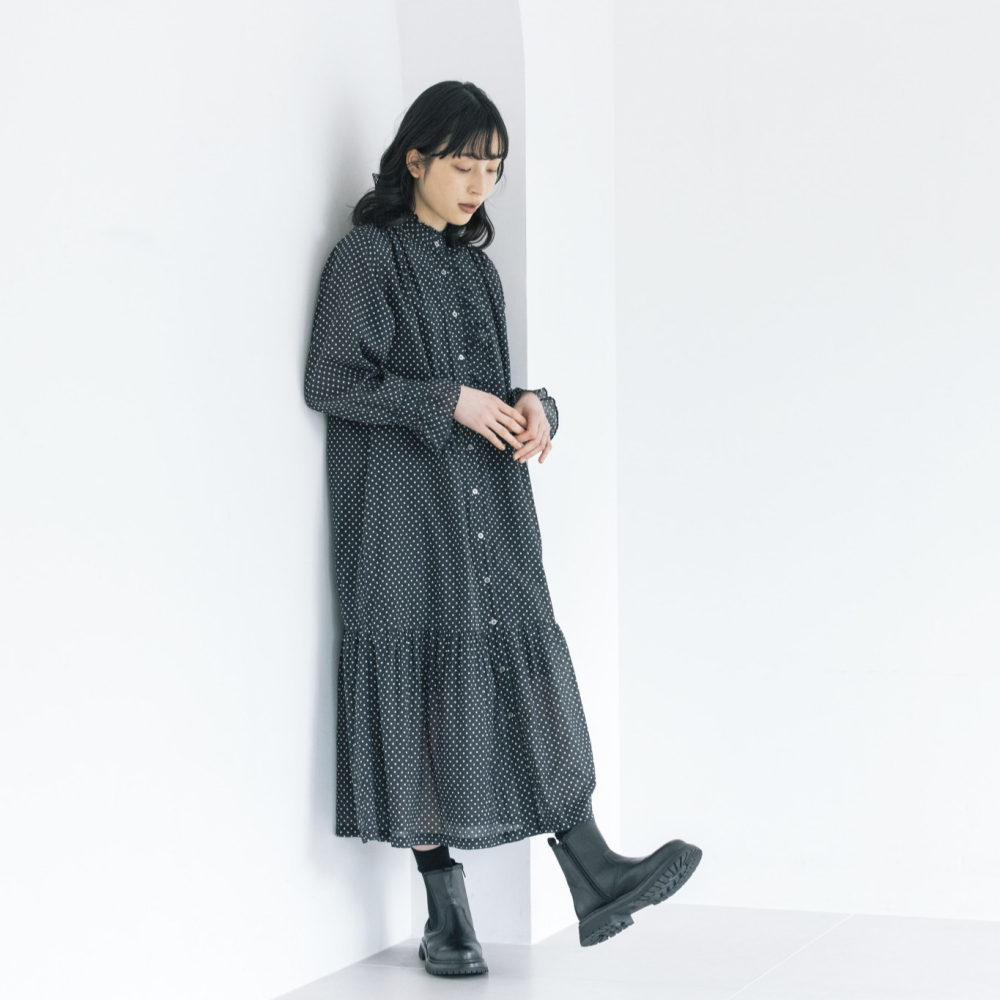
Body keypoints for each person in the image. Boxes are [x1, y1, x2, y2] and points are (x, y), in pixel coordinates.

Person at [303, 80, 702, 977]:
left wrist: (534, 406)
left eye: (492, 168)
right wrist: (448, 401)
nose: (479, 184)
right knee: (417, 682)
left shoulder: (474, 271)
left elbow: (488, 385)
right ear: (415, 159)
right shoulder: (366, 258)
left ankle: (592, 868)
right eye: (462, 164)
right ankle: (447, 914)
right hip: (401, 512)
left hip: (487, 503)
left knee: (520, 665)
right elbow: (331, 380)